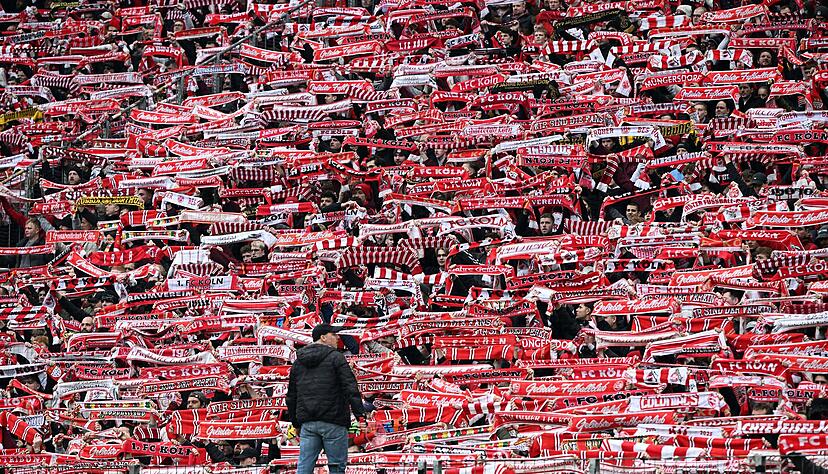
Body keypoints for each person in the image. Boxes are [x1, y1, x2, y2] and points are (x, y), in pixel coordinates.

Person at [287, 324, 367, 474]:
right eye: (334, 334)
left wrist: (296, 423)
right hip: (334, 421)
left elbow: (291, 396)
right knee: (336, 468)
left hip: (308, 423)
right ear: (323, 337)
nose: (338, 338)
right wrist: (361, 417)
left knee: (304, 467)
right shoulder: (336, 357)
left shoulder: (298, 362)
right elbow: (351, 388)